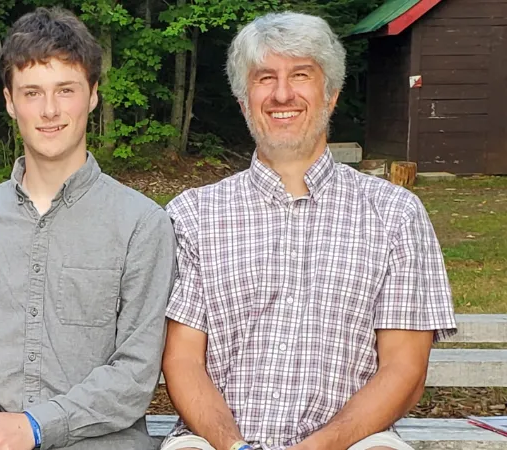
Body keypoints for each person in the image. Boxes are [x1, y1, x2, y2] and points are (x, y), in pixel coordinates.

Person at [160, 12, 457, 450]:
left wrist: (319, 447)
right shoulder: (193, 215)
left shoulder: (396, 214)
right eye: (265, 78)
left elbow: (404, 369)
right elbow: (183, 360)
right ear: (244, 100)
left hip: (353, 441)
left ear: (331, 94)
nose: (282, 94)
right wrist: (234, 446)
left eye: (301, 75)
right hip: (214, 441)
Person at [0, 7, 175, 450]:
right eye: (32, 93)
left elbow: (136, 372)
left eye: (65, 90)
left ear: (93, 95)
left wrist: (34, 426)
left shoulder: (142, 224)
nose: (49, 110)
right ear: (9, 101)